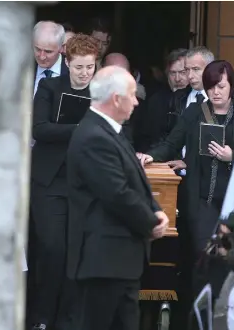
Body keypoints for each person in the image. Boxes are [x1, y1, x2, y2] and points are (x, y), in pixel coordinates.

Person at [66, 65, 169, 330]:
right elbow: (117, 193)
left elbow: (136, 180)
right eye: (132, 95)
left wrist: (155, 209)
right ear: (116, 99)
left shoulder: (112, 131)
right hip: (103, 261)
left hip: (120, 261)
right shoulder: (93, 136)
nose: (136, 101)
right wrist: (151, 222)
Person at [137, 60, 234, 304]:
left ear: (231, 86)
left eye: (220, 86)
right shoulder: (194, 112)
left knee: (230, 257)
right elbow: (171, 143)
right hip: (201, 198)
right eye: (210, 87)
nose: (215, 92)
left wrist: (232, 156)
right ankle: (200, 309)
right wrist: (151, 155)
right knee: (203, 254)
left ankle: (223, 308)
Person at [28, 33, 100, 330]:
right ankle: (41, 318)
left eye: (90, 67)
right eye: (79, 66)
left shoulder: (101, 92)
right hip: (49, 182)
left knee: (77, 253)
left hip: (84, 184)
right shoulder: (49, 86)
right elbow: (40, 128)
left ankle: (69, 321)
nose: (85, 73)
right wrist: (81, 128)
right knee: (52, 249)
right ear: (67, 62)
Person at [32, 21, 69, 95]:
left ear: (61, 48)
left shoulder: (73, 71)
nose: (42, 57)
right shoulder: (22, 68)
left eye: (48, 52)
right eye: (38, 49)